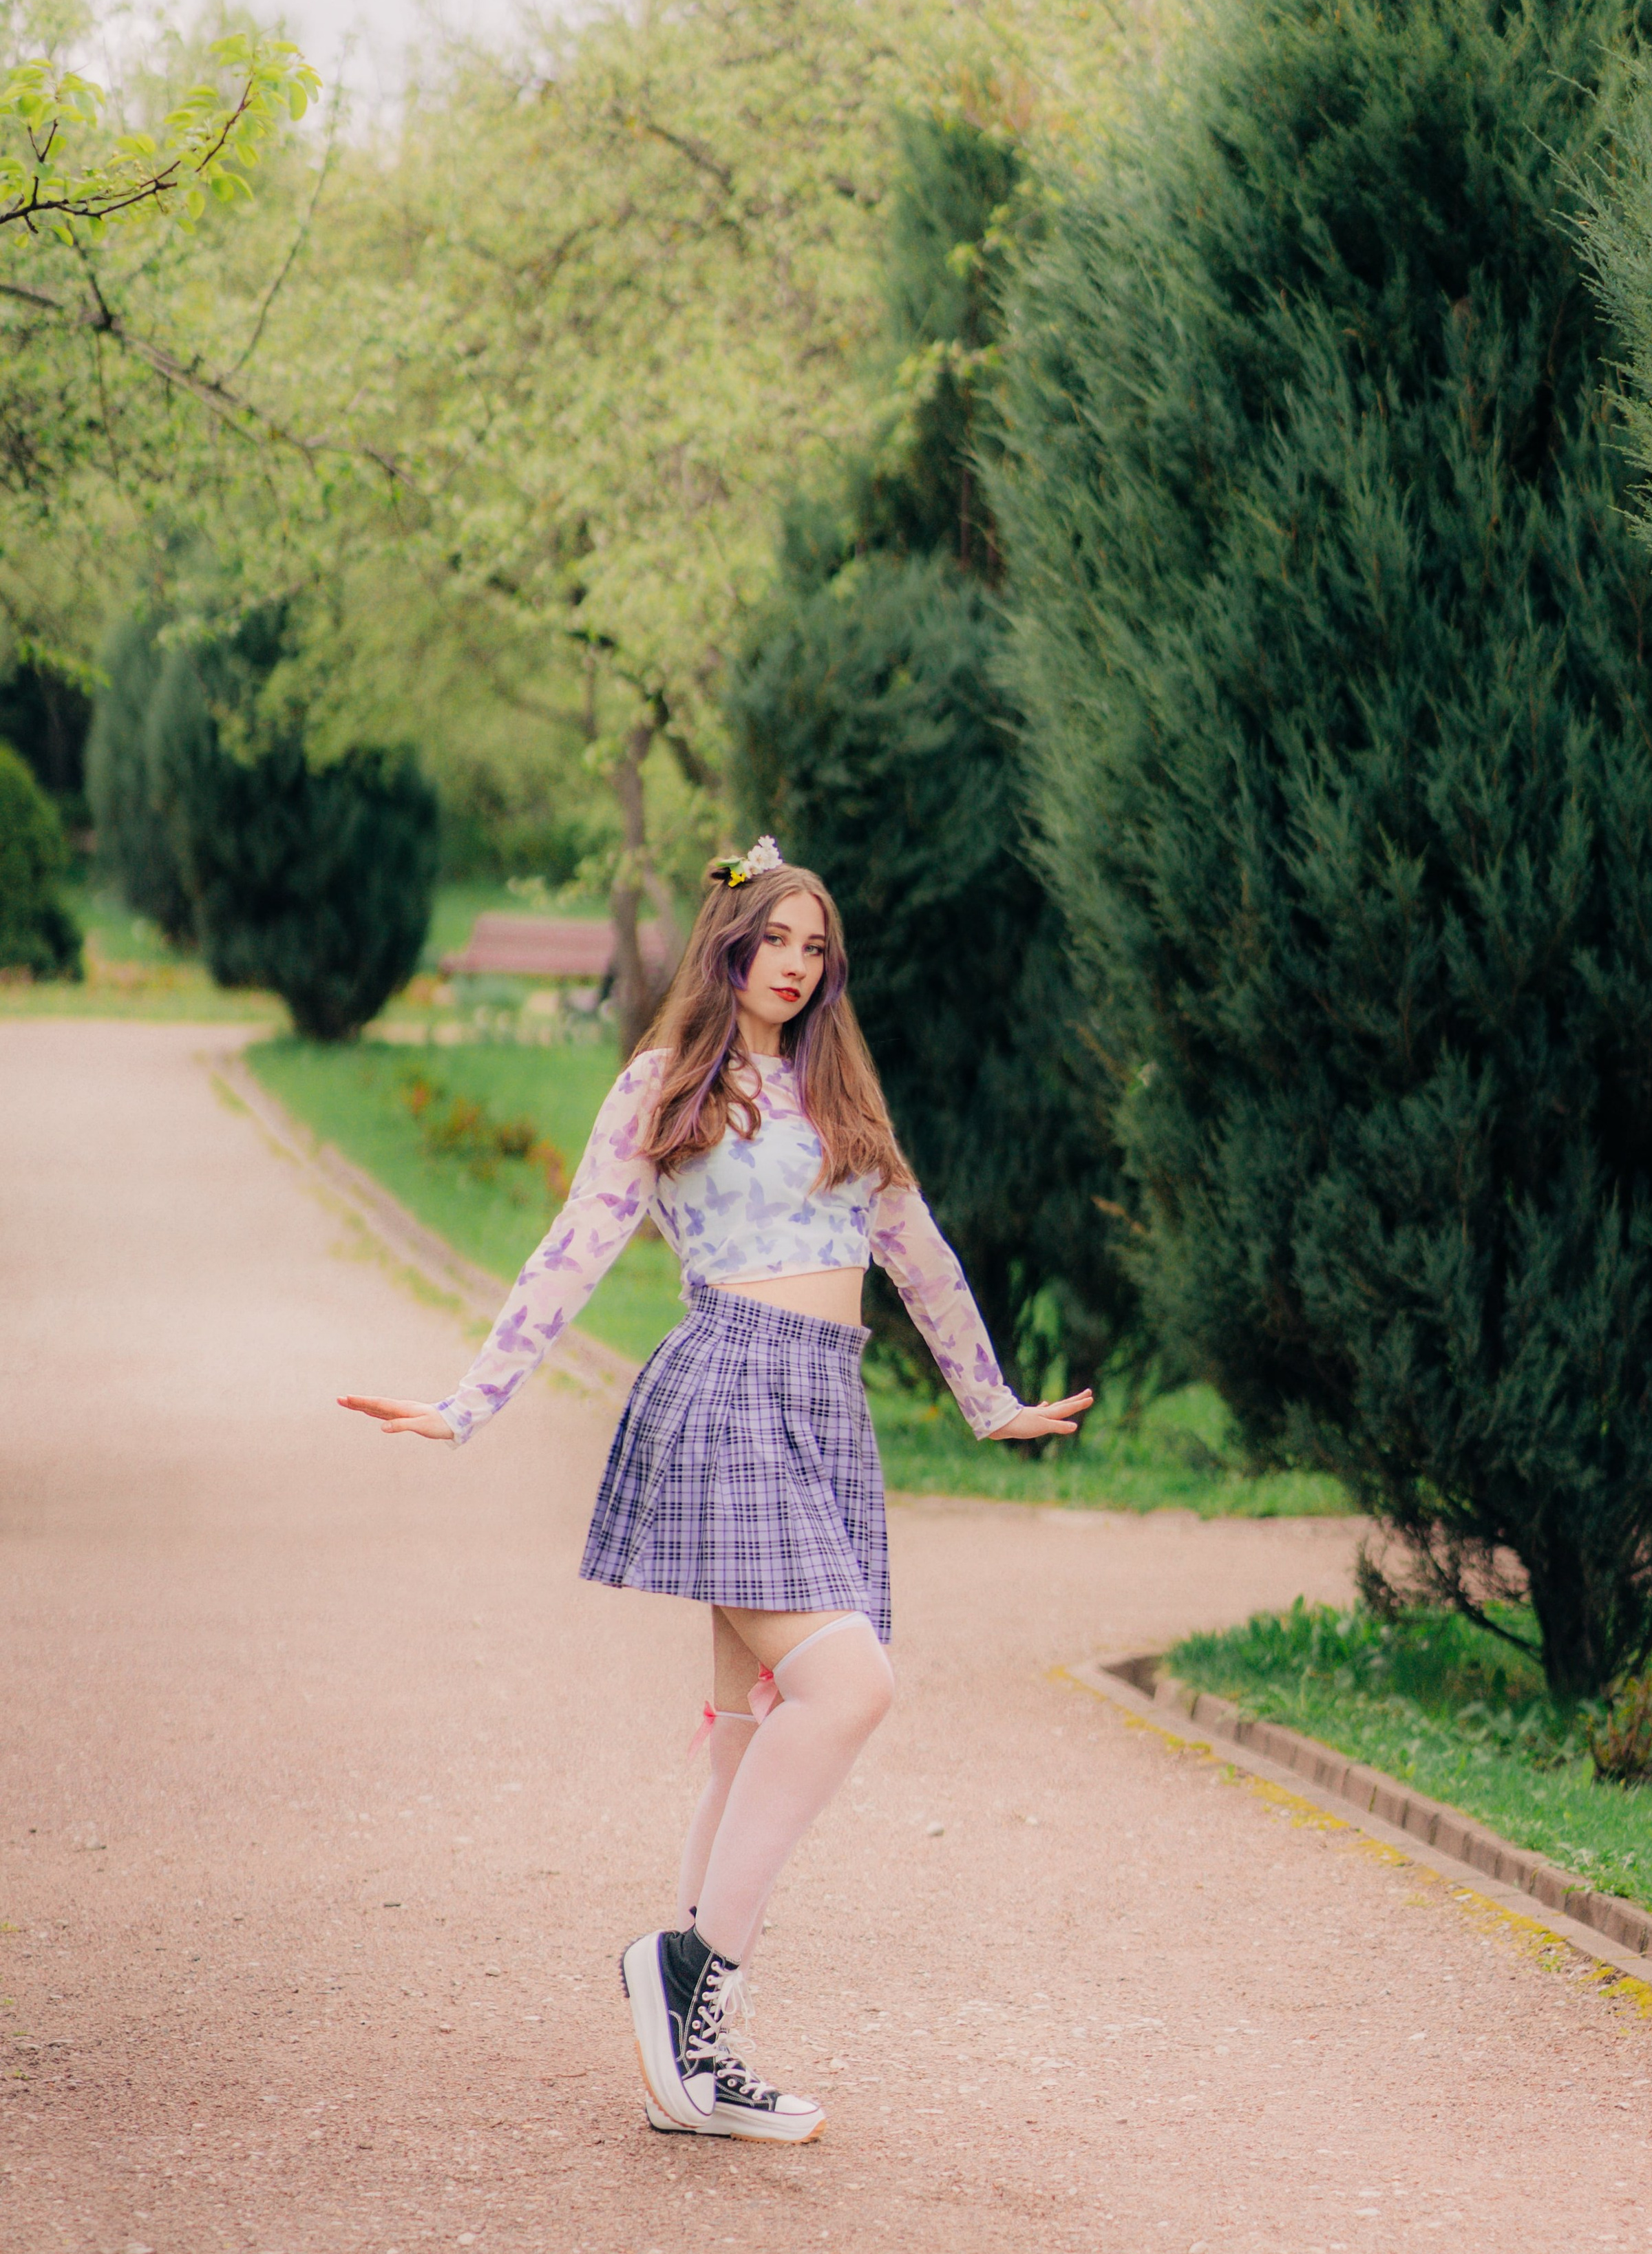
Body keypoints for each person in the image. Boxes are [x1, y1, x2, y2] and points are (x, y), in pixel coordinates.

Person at [339, 836, 1091, 2143]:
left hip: (826, 1403)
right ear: (729, 949)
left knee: (747, 1729)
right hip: (731, 1389)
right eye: (775, 945)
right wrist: (470, 1401)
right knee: (847, 1686)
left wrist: (988, 1400)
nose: (794, 969)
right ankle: (689, 1978)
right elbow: (573, 1245)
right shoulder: (666, 1085)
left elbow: (918, 1256)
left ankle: (695, 2070)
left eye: (817, 952)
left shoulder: (841, 1096)